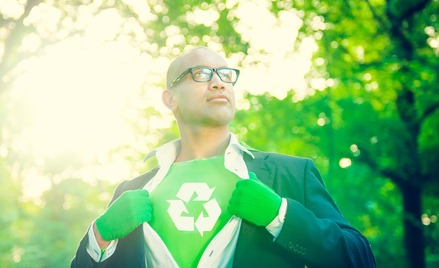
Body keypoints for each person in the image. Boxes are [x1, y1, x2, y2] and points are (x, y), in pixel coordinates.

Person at [71, 46, 376, 267]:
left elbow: (358, 259)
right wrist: (99, 236)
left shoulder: (291, 174)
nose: (218, 82)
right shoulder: (132, 191)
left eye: (225, 75)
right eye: (201, 74)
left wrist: (280, 217)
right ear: (170, 98)